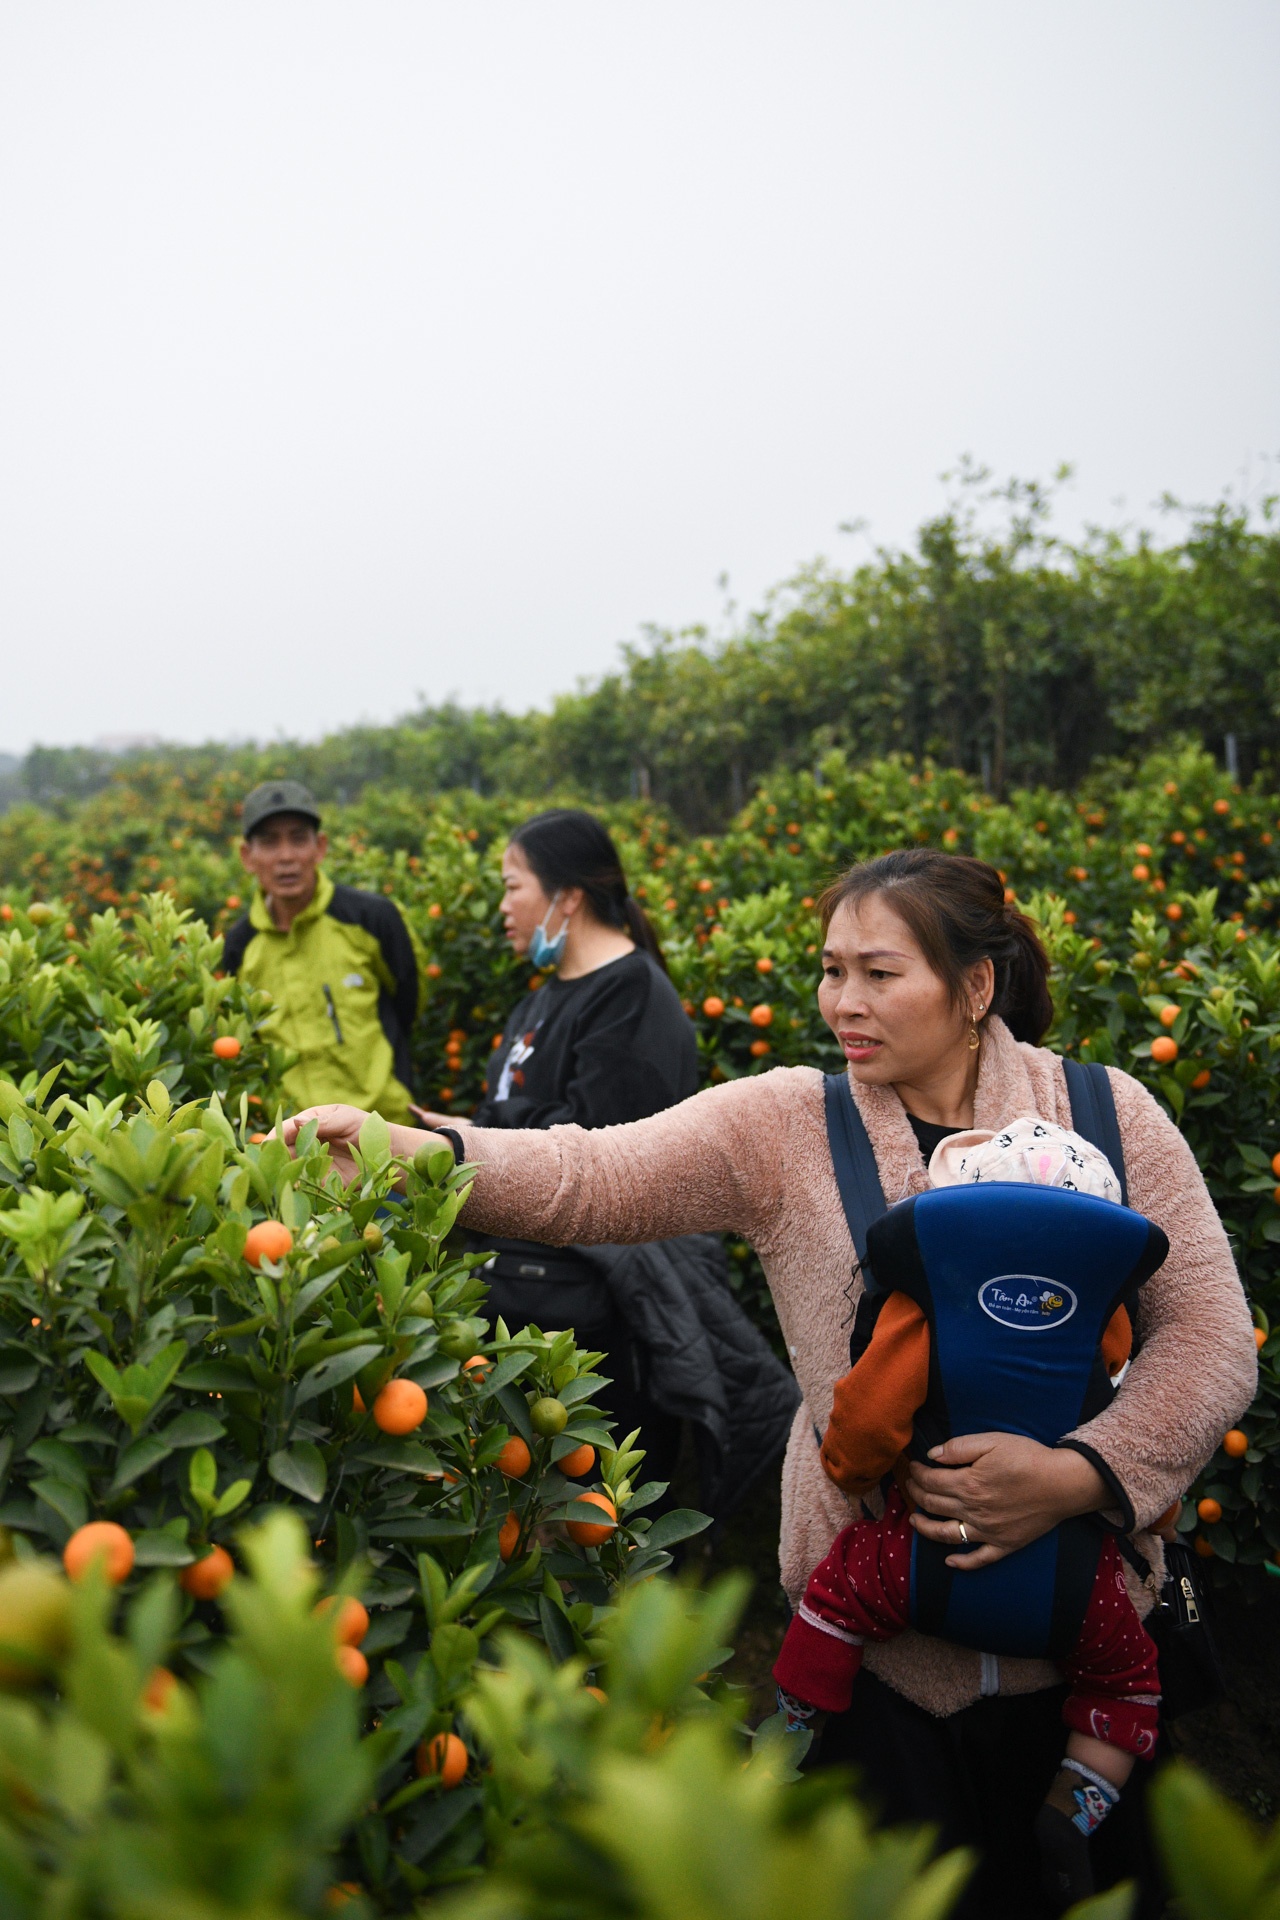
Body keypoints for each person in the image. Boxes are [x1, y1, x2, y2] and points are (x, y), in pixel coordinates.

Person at [281, 847, 1257, 1917]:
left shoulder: (1106, 1119)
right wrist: (418, 1148)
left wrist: (1076, 1476)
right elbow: (590, 1176)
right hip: (881, 1678)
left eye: (878, 974)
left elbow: (1210, 1338)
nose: (842, 1002)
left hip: (1078, 1654)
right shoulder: (789, 1125)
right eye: (830, 970)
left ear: (974, 987)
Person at [773, 1117, 1171, 1911]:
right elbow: (1128, 1400)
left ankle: (788, 1731)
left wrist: (854, 1470)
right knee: (1129, 1682)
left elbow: (867, 1426)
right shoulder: (1106, 1315)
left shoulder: (928, 1309)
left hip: (916, 1555)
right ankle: (1078, 1803)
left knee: (835, 1598)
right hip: (1072, 1580)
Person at [417, 809, 701, 1480]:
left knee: (596, 1510)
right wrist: (458, 1134)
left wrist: (477, 1137)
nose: (502, 907)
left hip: (591, 1315)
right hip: (522, 1294)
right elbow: (529, 1121)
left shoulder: (630, 997)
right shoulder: (544, 998)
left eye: (513, 885)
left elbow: (596, 1151)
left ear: (567, 895)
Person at [224, 780, 421, 1123]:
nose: (286, 857)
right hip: (296, 1143)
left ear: (320, 847)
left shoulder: (372, 919)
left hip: (385, 1128)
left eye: (298, 838)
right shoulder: (240, 947)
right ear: (247, 856)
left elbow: (408, 1002)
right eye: (269, 842)